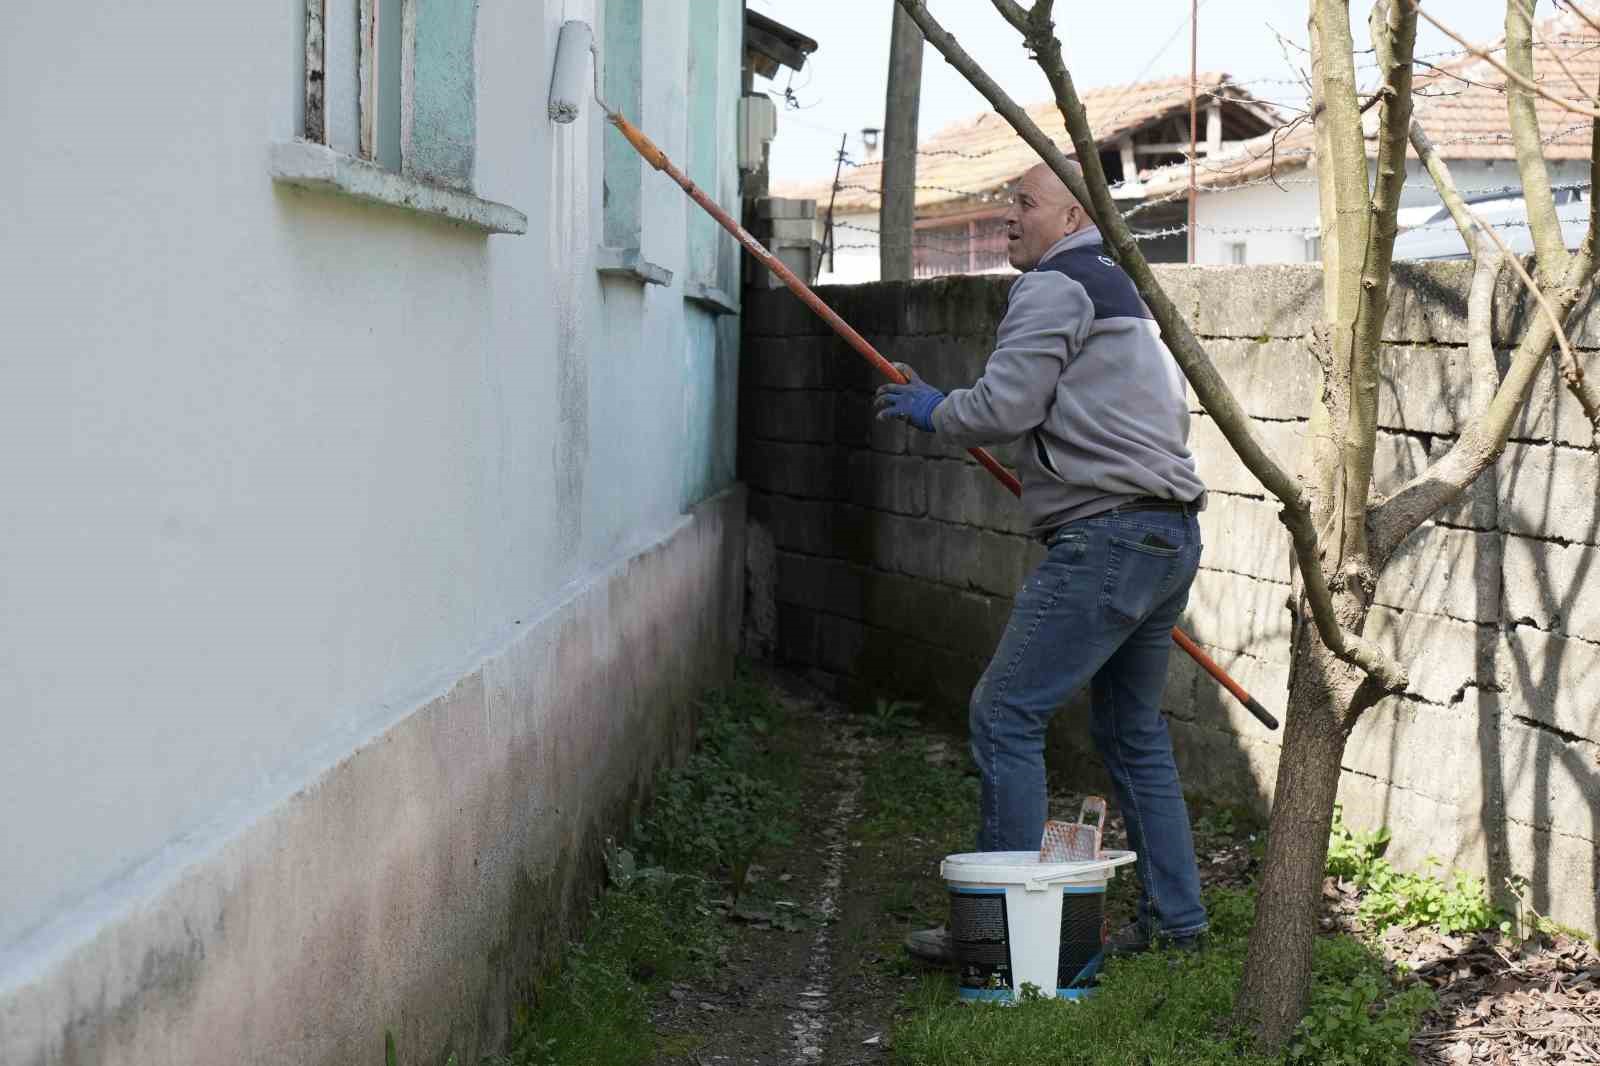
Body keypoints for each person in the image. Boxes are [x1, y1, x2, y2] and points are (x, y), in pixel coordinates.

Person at [875, 161, 1209, 962]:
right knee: (1131, 732)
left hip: (1109, 536)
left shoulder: (1054, 286)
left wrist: (935, 413)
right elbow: (1075, 408)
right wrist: (954, 407)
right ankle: (1178, 923)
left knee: (1005, 713)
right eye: (1006, 202)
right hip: (1167, 535)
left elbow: (1006, 408)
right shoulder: (1118, 288)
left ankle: (1005, 934)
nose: (1006, 218)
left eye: (1023, 203)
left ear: (1072, 217)